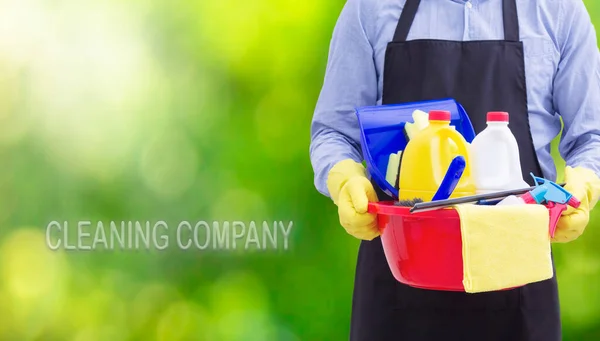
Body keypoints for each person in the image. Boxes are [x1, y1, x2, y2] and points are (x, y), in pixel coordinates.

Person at [309, 0, 600, 340]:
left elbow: (592, 136)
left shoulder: (557, 10)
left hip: (518, 287)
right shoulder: (370, 9)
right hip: (397, 280)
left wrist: (586, 182)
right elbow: (333, 132)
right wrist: (344, 177)